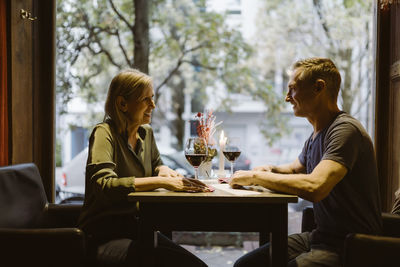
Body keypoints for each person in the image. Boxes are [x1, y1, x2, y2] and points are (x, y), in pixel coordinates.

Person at [230, 57, 382, 267]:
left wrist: (256, 177)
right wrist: (270, 169)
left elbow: (315, 187)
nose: (287, 98)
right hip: (320, 237)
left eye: (292, 89)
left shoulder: (345, 130)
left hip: (350, 245)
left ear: (319, 87)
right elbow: (294, 169)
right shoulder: (316, 134)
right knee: (246, 265)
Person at [78, 69, 209, 267]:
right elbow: (103, 184)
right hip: (103, 236)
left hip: (138, 229)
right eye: (146, 99)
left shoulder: (146, 133)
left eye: (152, 98)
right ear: (122, 104)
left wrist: (162, 170)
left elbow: (157, 164)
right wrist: (163, 181)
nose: (153, 105)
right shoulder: (104, 133)